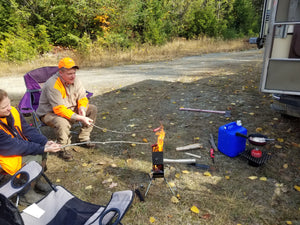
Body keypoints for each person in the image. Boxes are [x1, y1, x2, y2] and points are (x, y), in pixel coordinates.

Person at [0, 89, 61, 204]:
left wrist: (44, 142)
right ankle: (25, 194)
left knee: (42, 151)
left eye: (8, 103)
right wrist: (41, 148)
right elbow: (13, 146)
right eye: (3, 107)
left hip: (14, 147)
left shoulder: (12, 111)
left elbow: (27, 130)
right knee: (34, 158)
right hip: (5, 154)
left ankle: (34, 181)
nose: (9, 108)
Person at [37, 57, 98, 161]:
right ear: (61, 73)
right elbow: (59, 109)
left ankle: (83, 138)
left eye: (74, 73)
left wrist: (82, 108)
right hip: (49, 113)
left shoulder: (76, 80)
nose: (73, 76)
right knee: (62, 122)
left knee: (92, 109)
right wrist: (79, 117)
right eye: (69, 74)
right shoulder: (53, 84)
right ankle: (64, 148)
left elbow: (83, 97)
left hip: (69, 108)